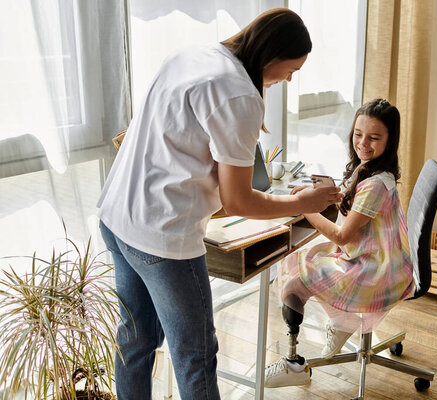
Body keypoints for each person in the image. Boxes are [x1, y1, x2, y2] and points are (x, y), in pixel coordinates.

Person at [97, 8, 342, 400]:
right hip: (163, 237)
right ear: (272, 56)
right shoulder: (240, 93)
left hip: (117, 216)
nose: (290, 79)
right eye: (291, 70)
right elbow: (239, 199)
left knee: (135, 343)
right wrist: (301, 201)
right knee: (195, 356)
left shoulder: (193, 55)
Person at [264, 98, 415, 388]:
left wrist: (305, 207)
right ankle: (342, 323)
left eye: (374, 137)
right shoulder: (368, 169)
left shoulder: (375, 184)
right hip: (381, 258)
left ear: (390, 140)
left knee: (295, 277)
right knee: (299, 260)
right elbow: (352, 209)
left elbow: (342, 236)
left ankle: (294, 364)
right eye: (358, 134)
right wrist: (322, 195)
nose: (363, 143)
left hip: (376, 270)